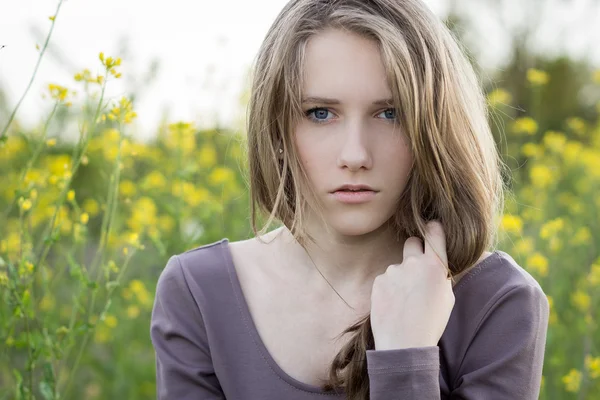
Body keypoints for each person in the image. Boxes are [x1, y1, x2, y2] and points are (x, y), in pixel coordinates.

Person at [150, 0, 550, 399]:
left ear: (433, 128)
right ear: (275, 130)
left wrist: (406, 357)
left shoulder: (498, 303)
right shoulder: (199, 293)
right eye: (321, 113)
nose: (355, 156)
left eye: (390, 113)